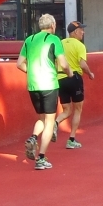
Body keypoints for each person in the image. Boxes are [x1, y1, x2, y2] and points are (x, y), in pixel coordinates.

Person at [17, 14, 72, 170]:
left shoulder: (29, 40)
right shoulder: (54, 39)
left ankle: (34, 137)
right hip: (49, 83)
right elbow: (62, 62)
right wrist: (69, 73)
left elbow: (20, 63)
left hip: (33, 85)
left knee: (41, 118)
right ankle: (41, 158)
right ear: (53, 25)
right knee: (49, 121)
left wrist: (32, 72)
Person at [52, 21, 95, 149]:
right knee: (77, 109)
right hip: (74, 78)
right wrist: (90, 73)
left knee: (66, 110)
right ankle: (71, 139)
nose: (83, 32)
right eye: (81, 30)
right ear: (75, 32)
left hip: (60, 78)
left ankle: (55, 122)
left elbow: (55, 62)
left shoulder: (60, 43)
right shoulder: (80, 45)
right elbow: (82, 64)